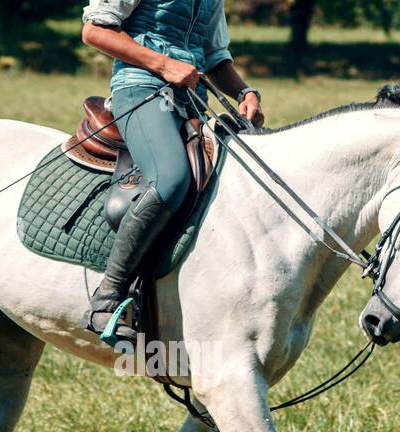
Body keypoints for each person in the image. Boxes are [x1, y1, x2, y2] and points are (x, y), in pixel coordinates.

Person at [80, 0, 265, 346]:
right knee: (171, 178)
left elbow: (214, 57)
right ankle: (107, 296)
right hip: (140, 89)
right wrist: (164, 64)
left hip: (190, 99)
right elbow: (94, 31)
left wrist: (245, 92)